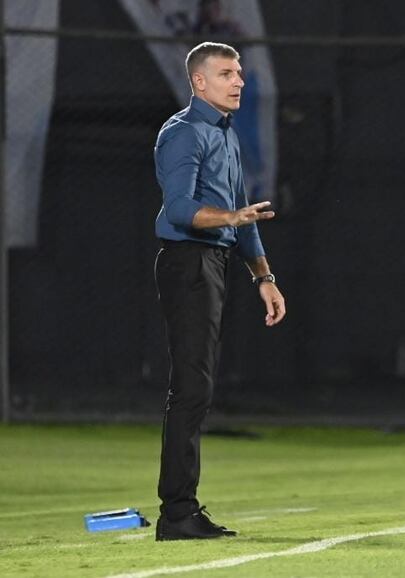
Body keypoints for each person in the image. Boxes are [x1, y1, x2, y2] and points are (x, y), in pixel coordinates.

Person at [153, 42, 286, 541]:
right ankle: (177, 514)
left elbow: (243, 214)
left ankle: (181, 510)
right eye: (227, 73)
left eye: (240, 74)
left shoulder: (225, 137)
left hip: (214, 262)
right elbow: (181, 208)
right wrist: (231, 218)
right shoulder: (183, 133)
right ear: (199, 82)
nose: (239, 82)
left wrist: (265, 278)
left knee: (198, 386)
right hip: (188, 261)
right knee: (191, 388)